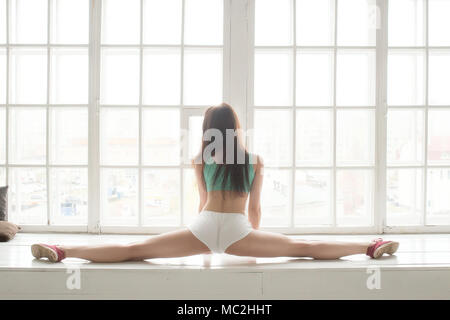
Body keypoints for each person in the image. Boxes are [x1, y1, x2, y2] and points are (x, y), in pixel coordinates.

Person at [31, 103, 399, 263]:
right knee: (303, 246)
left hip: (203, 229)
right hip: (240, 232)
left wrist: (203, 242)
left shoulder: (199, 158)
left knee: (133, 249)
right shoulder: (254, 159)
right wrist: (252, 243)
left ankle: (64, 249)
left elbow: (203, 203)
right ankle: (371, 245)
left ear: (208, 128)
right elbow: (254, 210)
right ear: (235, 127)